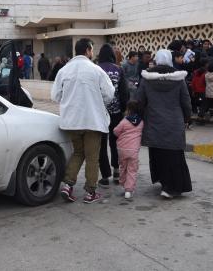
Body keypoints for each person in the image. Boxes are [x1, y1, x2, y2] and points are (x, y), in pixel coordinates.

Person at [51, 38, 115, 204]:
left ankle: (67, 185)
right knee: (92, 156)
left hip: (71, 121)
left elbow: (55, 96)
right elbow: (109, 94)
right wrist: (96, 101)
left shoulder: (64, 71)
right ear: (88, 50)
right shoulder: (96, 70)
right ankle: (90, 192)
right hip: (92, 120)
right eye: (92, 49)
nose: (92, 52)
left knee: (78, 152)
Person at [137, 49, 192, 198]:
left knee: (158, 154)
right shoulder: (178, 78)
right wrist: (187, 117)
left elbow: (140, 101)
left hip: (154, 122)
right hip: (174, 122)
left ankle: (164, 182)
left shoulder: (147, 78)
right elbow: (186, 101)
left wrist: (139, 117)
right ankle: (172, 187)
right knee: (174, 155)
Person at [97, 44, 129, 187]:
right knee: (115, 143)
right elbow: (124, 93)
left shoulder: (95, 69)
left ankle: (105, 176)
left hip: (99, 113)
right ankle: (117, 172)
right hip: (116, 113)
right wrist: (123, 109)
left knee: (101, 144)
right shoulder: (118, 69)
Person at [113, 100, 144, 199]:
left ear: (128, 110)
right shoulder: (141, 122)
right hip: (134, 150)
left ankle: (123, 183)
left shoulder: (124, 121)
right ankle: (129, 189)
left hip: (122, 149)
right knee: (132, 170)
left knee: (123, 167)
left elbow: (115, 131)